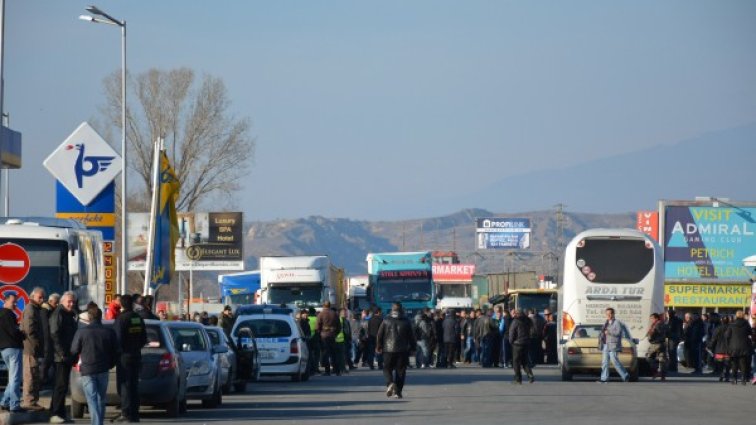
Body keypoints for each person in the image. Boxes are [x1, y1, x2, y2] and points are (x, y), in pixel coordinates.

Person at [70, 305, 119, 425]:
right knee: (101, 398)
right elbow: (116, 351)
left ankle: (96, 423)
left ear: (89, 317)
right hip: (103, 368)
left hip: (87, 369)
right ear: (100, 317)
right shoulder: (109, 332)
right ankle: (98, 422)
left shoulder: (81, 332)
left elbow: (74, 350)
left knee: (92, 399)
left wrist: (74, 362)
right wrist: (111, 364)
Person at [113, 294, 147, 423]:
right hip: (136, 355)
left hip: (124, 356)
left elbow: (117, 339)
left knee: (125, 385)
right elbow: (144, 338)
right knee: (134, 384)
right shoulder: (137, 318)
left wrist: (117, 353)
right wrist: (136, 347)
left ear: (121, 304)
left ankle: (126, 413)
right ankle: (134, 413)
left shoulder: (121, 319)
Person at [49, 291, 78, 424]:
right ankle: (55, 414)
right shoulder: (58, 313)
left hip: (67, 355)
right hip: (60, 356)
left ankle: (60, 413)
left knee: (63, 386)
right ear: (62, 301)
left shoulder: (69, 314)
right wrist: (62, 353)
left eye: (73, 301)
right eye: (69, 301)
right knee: (60, 386)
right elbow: (54, 334)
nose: (71, 304)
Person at [376, 302, 416, 399]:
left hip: (388, 350)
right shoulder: (406, 321)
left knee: (387, 368)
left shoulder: (386, 320)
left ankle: (390, 383)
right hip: (402, 350)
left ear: (392, 309)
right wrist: (413, 348)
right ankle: (398, 392)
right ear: (401, 309)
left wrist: (378, 346)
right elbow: (411, 337)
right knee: (401, 371)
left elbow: (379, 335)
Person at [21, 286, 46, 411]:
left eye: (43, 297)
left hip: (33, 348)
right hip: (30, 348)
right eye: (40, 297)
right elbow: (29, 329)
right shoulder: (31, 309)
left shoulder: (36, 309)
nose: (42, 299)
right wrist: (37, 343)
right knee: (30, 375)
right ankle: (29, 401)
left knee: (34, 374)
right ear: (33, 296)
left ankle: (33, 400)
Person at [0, 294, 26, 413]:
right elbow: (14, 332)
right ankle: (14, 405)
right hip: (13, 348)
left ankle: (5, 401)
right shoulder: (9, 314)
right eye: (13, 302)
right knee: (15, 377)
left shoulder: (0, 313)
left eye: (16, 302)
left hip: (3, 349)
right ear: (5, 301)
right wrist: (22, 334)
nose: (15, 304)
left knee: (12, 377)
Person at [598, 307, 629, 383]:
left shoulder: (617, 322)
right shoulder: (605, 322)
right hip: (606, 345)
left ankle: (625, 375)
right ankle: (604, 378)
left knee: (615, 361)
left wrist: (609, 332)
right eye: (607, 313)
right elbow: (603, 332)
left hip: (613, 345)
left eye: (610, 313)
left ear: (613, 314)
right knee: (605, 362)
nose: (609, 315)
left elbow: (618, 333)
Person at [725, 310, 752, 385]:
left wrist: (728, 345)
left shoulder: (732, 324)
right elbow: (750, 333)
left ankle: (734, 379)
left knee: (734, 363)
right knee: (743, 363)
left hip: (733, 346)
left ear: (736, 316)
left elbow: (727, 336)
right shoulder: (746, 324)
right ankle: (743, 378)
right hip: (744, 346)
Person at [508, 309, 534, 384]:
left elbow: (512, 333)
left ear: (517, 314)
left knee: (516, 362)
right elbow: (532, 330)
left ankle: (518, 379)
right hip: (526, 343)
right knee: (525, 361)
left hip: (517, 344)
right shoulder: (528, 320)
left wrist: (511, 341)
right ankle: (530, 375)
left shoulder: (515, 321)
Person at [316, 301, 341, 376]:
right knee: (334, 353)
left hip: (324, 335)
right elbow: (339, 326)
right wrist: (335, 334)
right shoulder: (334, 314)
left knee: (325, 353)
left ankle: (327, 371)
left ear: (323, 306)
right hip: (332, 335)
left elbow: (317, 327)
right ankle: (337, 371)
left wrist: (319, 334)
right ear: (329, 306)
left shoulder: (321, 314)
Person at [645, 313, 668, 381]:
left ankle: (656, 371)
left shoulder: (655, 325)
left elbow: (651, 334)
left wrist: (649, 335)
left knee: (648, 357)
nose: (651, 320)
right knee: (662, 359)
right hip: (663, 343)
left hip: (655, 344)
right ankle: (662, 376)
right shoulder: (664, 324)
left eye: (652, 318)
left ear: (656, 318)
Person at [708, 315, 731, 382]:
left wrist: (710, 346)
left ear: (721, 320)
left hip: (719, 349)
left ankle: (721, 374)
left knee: (720, 363)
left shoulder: (718, 328)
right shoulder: (731, 328)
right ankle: (727, 375)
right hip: (728, 349)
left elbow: (714, 339)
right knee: (727, 363)